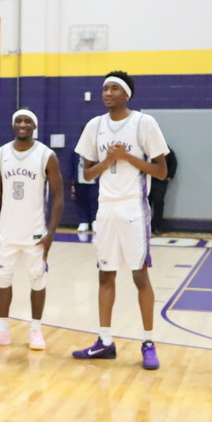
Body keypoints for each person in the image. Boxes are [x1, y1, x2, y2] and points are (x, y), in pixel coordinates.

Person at [73, 71, 169, 370]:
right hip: (105, 209)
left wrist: (126, 158)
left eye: (114, 88)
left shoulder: (144, 123)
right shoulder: (95, 126)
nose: (107, 92)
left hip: (133, 209)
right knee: (106, 275)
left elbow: (162, 171)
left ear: (127, 94)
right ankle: (104, 341)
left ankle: (149, 342)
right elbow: (87, 175)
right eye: (105, 88)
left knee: (140, 275)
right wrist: (109, 160)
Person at [0, 108, 64, 350]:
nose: (23, 124)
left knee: (37, 280)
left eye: (27, 121)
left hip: (35, 233)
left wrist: (51, 233)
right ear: (13, 124)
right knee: (2, 279)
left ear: (34, 126)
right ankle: (2, 330)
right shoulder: (1, 153)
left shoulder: (46, 155)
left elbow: (58, 196)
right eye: (19, 120)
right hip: (6, 231)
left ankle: (35, 330)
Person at [149, 149, 178, 235]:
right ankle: (144, 226)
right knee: (146, 203)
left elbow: (173, 163)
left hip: (160, 181)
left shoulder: (167, 151)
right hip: (148, 180)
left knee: (158, 202)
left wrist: (169, 176)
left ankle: (156, 227)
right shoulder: (147, 150)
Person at [72, 151, 99, 240]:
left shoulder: (96, 149)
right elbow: (72, 164)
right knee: (80, 200)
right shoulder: (75, 149)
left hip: (94, 180)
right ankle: (83, 222)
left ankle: (95, 221)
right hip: (79, 181)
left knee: (94, 200)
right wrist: (72, 180)